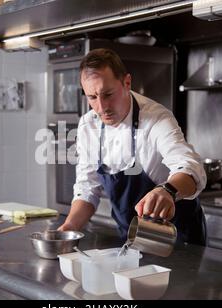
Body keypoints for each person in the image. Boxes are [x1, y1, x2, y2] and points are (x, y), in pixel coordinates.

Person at [58, 48, 207, 245]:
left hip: (178, 239)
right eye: (92, 97)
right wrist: (69, 227)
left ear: (127, 83)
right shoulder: (89, 125)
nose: (101, 108)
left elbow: (191, 167)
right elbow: (87, 188)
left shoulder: (156, 118)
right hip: (131, 238)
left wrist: (168, 191)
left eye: (108, 94)